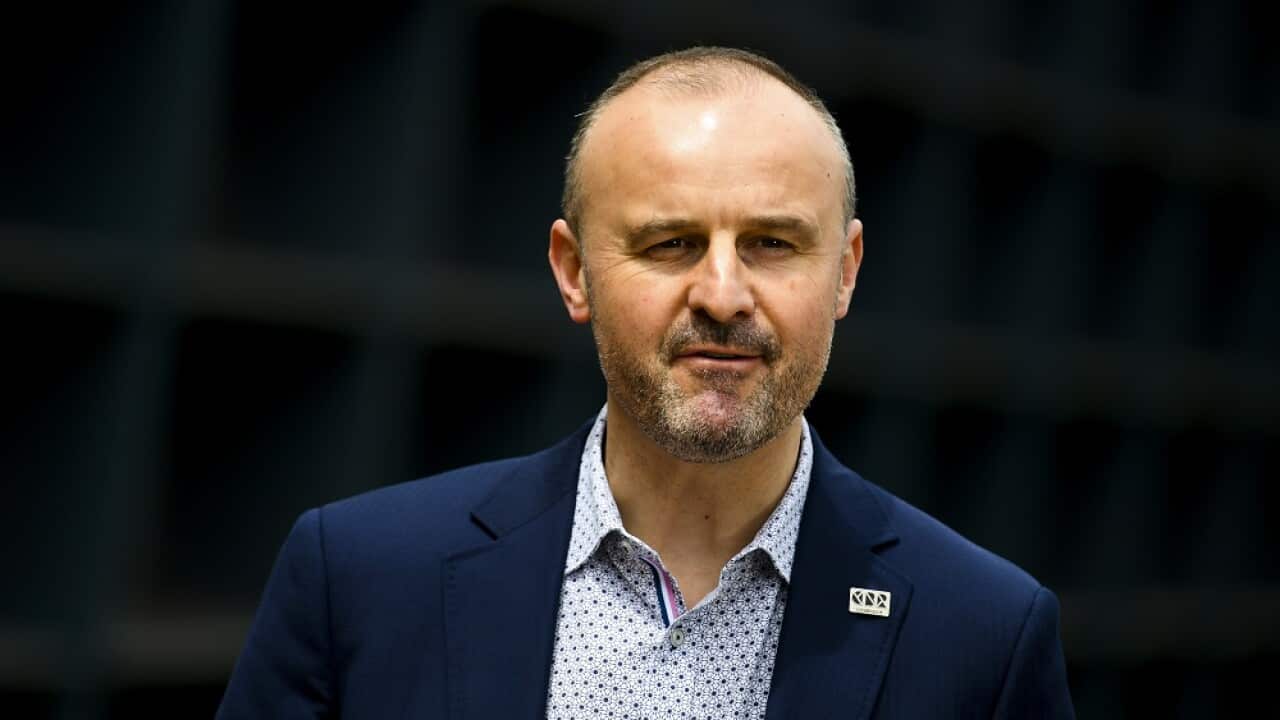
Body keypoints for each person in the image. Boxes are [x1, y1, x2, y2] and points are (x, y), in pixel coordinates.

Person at [217, 46, 1074, 719]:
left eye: (774, 243)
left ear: (844, 272)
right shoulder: (360, 579)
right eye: (670, 244)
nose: (724, 294)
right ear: (574, 271)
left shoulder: (982, 633)